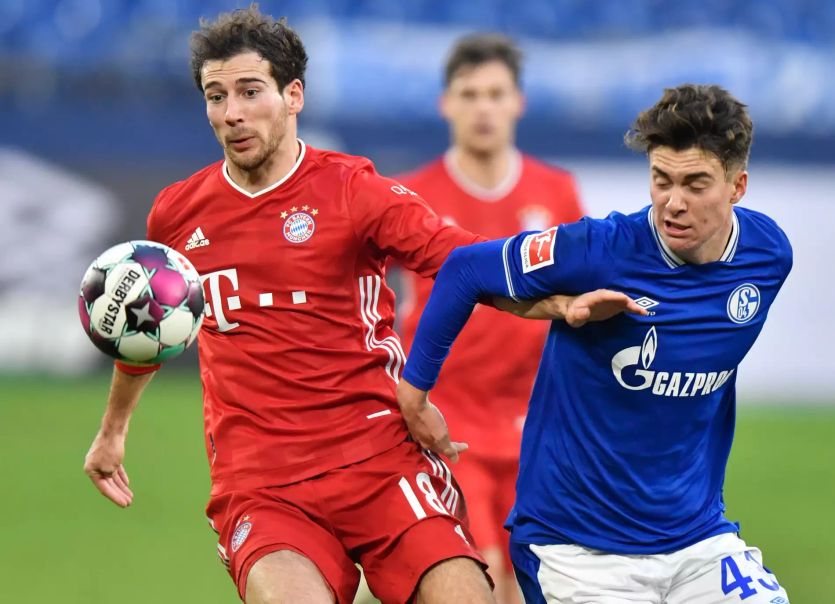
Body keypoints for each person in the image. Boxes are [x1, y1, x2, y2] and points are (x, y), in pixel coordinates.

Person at [80, 6, 641, 604]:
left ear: (293, 95)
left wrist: (558, 302)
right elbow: (145, 327)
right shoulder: (178, 212)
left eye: (249, 91)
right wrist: (113, 430)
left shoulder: (354, 191)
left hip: (379, 459)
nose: (232, 113)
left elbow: (464, 261)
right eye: (216, 96)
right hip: (263, 483)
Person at [397, 84, 793, 603]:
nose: (673, 203)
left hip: (696, 541)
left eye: (696, 184)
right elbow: (464, 269)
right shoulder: (601, 250)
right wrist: (414, 393)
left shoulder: (767, 256)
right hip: (579, 550)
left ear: (737, 185)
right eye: (661, 180)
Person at [396, 34, 584, 604]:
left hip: (539, 427)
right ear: (445, 103)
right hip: (446, 423)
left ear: (517, 102)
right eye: (469, 93)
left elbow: (579, 304)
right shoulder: (410, 196)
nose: (483, 107)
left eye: (495, 93)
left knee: (545, 585)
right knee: (481, 579)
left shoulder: (557, 192)